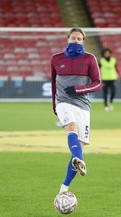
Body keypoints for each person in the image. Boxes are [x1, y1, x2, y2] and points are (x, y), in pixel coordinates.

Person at [51, 28, 101, 193]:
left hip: (83, 105)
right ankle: (79, 160)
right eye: (73, 38)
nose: (76, 41)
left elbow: (97, 83)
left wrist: (79, 89)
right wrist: (54, 105)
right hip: (63, 102)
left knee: (79, 146)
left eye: (79, 39)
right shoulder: (56, 59)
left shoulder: (90, 59)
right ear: (68, 39)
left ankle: (64, 188)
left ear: (83, 41)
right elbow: (53, 84)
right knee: (71, 127)